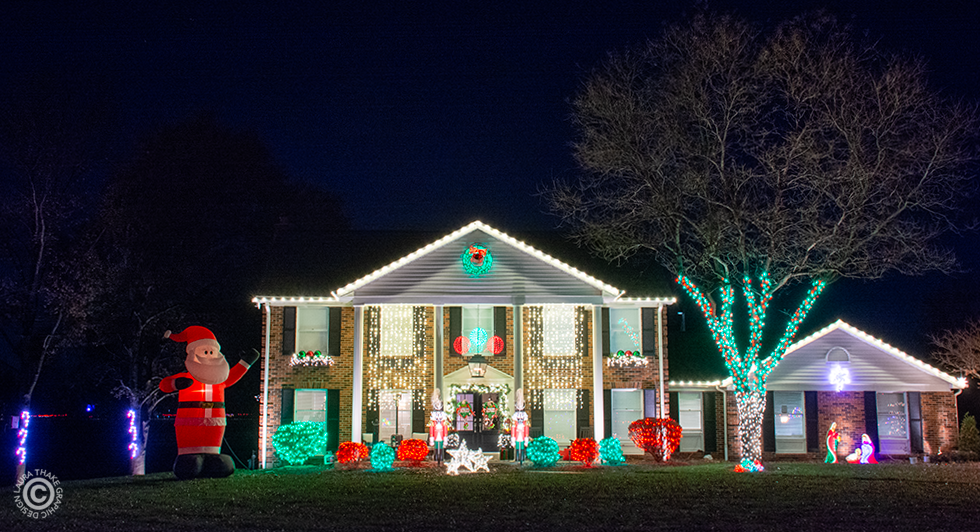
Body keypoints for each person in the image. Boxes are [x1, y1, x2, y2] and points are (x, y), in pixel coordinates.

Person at [159, 326, 257, 479]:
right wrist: (175, 384)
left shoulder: (220, 380)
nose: (210, 355)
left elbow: (233, 376)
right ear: (193, 353)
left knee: (214, 453)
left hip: (216, 422)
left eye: (212, 352)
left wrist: (246, 361)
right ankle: (188, 460)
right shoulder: (187, 377)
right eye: (205, 352)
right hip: (189, 422)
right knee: (190, 461)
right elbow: (164, 384)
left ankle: (213, 458)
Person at [429, 390, 450, 464]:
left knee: (440, 445)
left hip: (441, 434)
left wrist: (445, 437)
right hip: (435, 434)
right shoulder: (433, 420)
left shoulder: (443, 419)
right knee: (436, 446)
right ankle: (436, 456)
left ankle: (441, 456)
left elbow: (445, 427)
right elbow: (431, 428)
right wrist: (431, 437)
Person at [511, 389, 530, 464]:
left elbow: (526, 426)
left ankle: (522, 457)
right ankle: (517, 457)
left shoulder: (524, 415)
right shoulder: (515, 415)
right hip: (517, 431)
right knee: (517, 445)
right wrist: (512, 437)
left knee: (522, 445)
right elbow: (513, 426)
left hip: (522, 432)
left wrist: (526, 437)